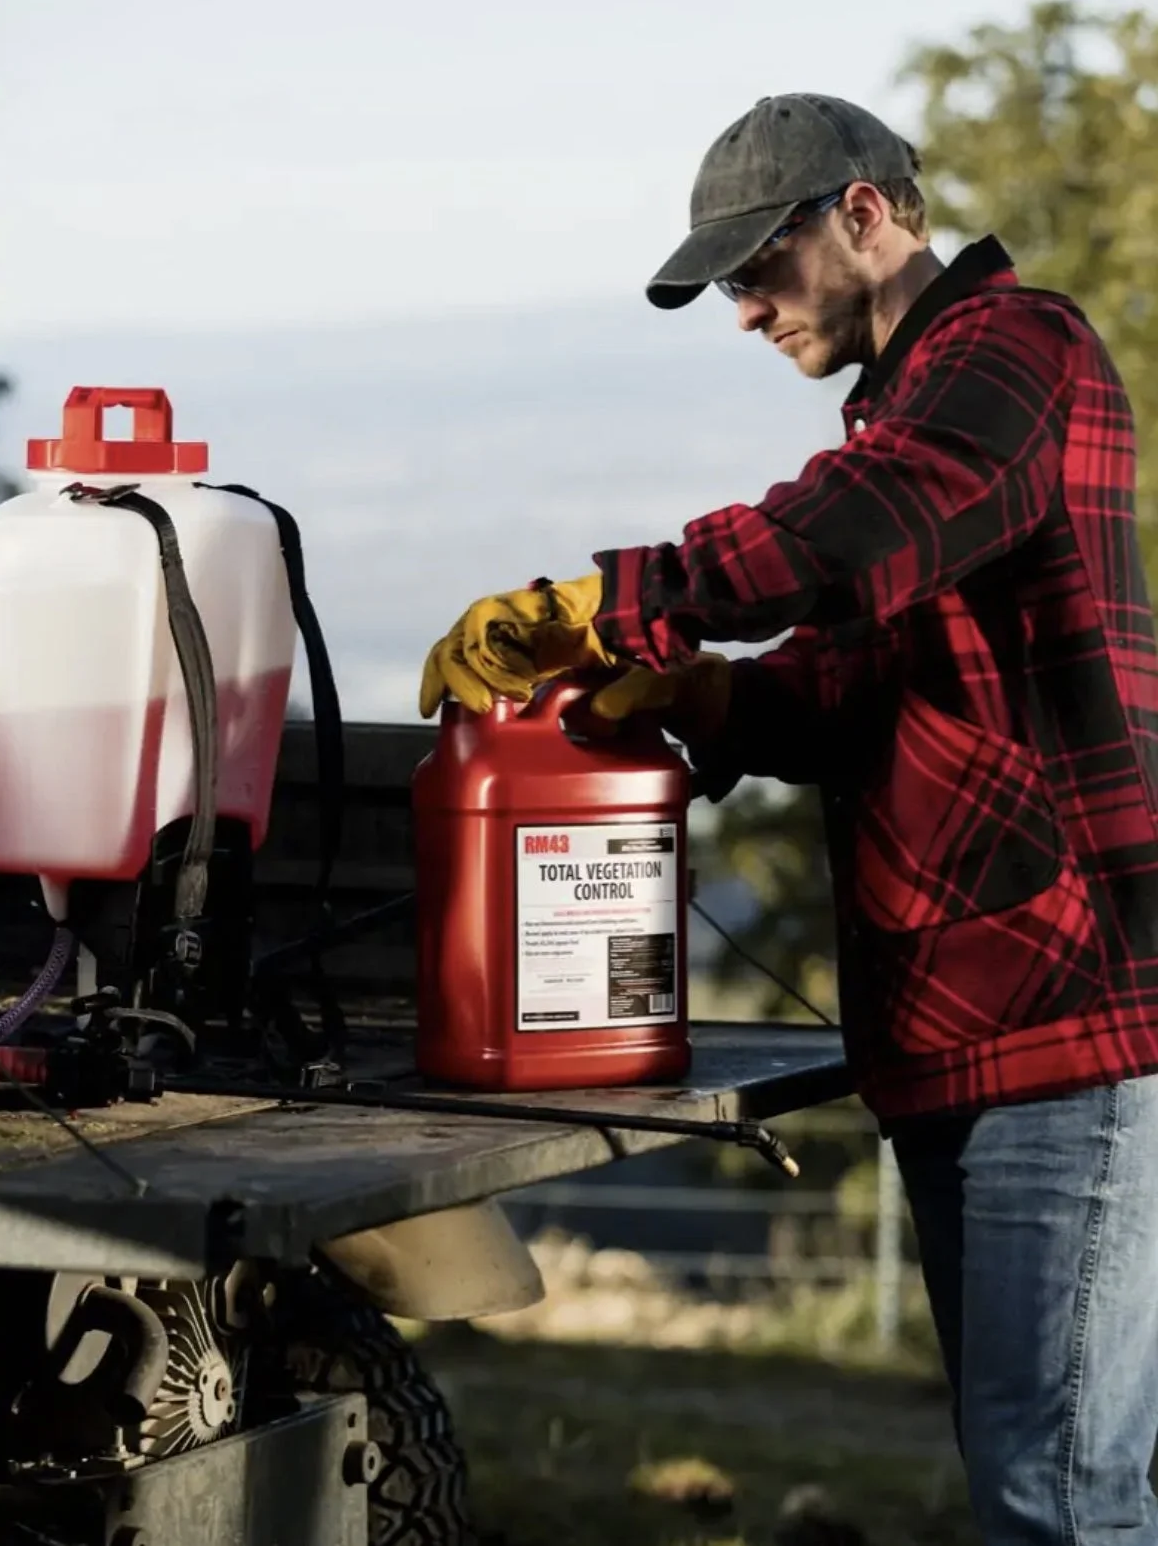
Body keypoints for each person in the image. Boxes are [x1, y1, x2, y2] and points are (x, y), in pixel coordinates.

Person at [417, 92, 1158, 1544]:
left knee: (1062, 1499)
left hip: (1062, 1026)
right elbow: (859, 687)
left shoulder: (1017, 351)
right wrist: (699, 690)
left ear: (866, 215)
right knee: (1032, 1479)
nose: (745, 312)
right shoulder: (920, 404)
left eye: (757, 269)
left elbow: (855, 524)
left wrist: (606, 599)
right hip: (963, 1033)